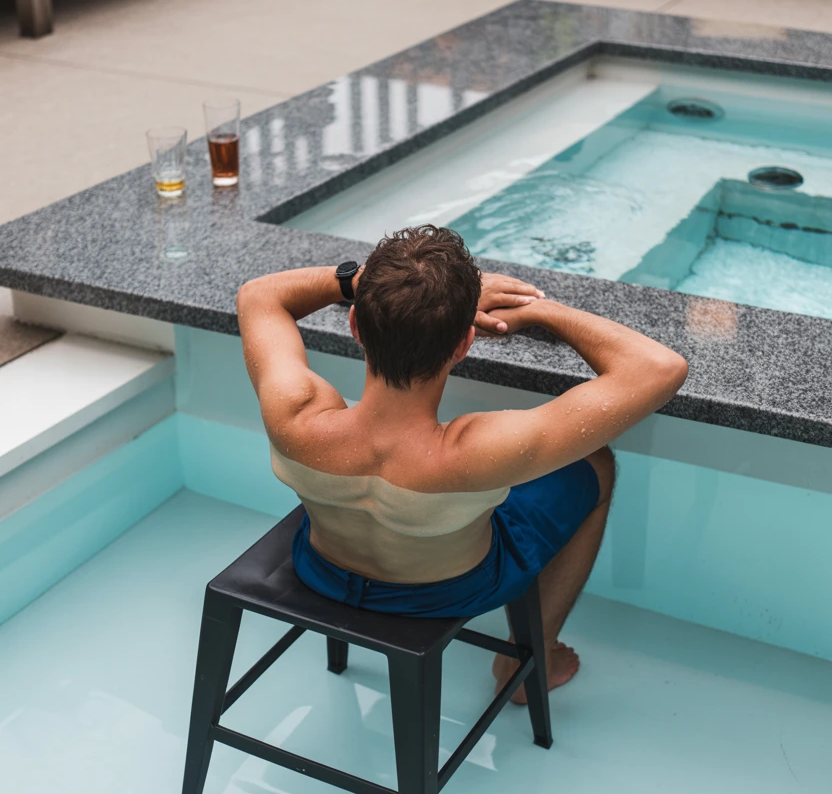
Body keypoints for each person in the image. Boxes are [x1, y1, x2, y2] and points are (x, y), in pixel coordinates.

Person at [237, 226, 687, 699]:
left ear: (355, 325)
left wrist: (370, 283)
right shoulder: (483, 450)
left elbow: (258, 294)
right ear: (464, 344)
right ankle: (528, 661)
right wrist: (540, 310)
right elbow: (660, 367)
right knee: (595, 463)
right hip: (450, 590)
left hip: (322, 570)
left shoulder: (295, 411)